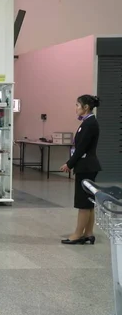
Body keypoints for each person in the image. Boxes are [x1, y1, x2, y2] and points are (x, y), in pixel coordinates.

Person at [60, 95, 101, 245]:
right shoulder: (88, 122)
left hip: (86, 166)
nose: (75, 108)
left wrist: (69, 164)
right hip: (87, 166)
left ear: (86, 107)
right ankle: (88, 233)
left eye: (78, 105)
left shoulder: (89, 124)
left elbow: (81, 148)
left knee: (84, 202)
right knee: (89, 202)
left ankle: (78, 234)